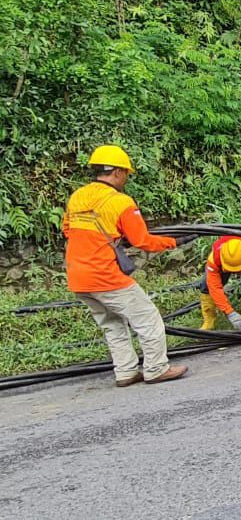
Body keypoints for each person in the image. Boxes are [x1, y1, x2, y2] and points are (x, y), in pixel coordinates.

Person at [63, 145, 194, 387]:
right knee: (148, 318)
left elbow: (68, 230)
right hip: (104, 275)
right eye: (126, 173)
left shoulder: (77, 196)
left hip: (78, 277)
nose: (126, 178)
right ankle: (156, 369)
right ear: (117, 172)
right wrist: (176, 241)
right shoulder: (121, 202)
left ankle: (125, 372)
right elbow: (143, 241)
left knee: (112, 325)